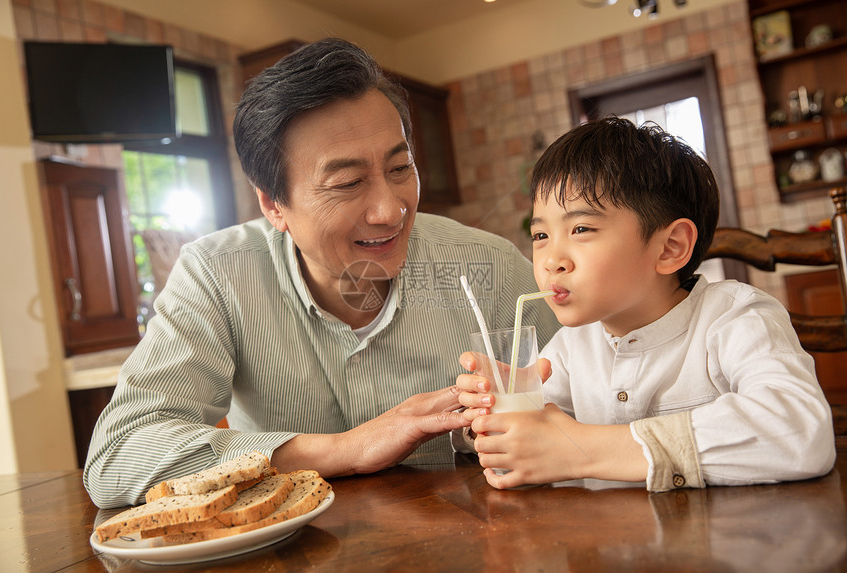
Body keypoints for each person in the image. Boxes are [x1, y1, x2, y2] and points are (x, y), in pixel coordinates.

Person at [82, 38, 557, 509]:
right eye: (348, 183)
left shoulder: (487, 266)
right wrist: (345, 450)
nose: (391, 210)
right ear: (273, 203)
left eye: (400, 167)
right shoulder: (219, 275)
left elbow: (593, 407)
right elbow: (116, 455)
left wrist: (512, 423)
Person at [456, 117, 836, 492]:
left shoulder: (736, 317)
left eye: (581, 229)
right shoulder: (570, 349)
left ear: (670, 248)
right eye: (540, 234)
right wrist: (494, 419)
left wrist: (582, 451)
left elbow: (801, 432)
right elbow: (531, 456)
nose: (551, 259)